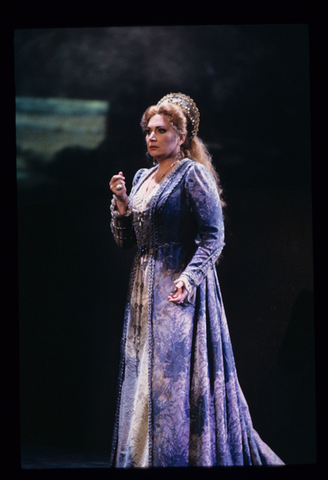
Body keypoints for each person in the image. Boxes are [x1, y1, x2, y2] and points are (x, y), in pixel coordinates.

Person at [108, 93, 284, 467]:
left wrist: (190, 278)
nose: (151, 137)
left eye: (161, 130)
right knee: (144, 372)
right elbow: (127, 242)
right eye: (148, 131)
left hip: (178, 290)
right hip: (142, 289)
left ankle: (177, 460)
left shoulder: (193, 175)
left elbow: (213, 237)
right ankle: (142, 459)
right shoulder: (141, 179)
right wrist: (123, 203)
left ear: (181, 136)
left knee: (173, 378)